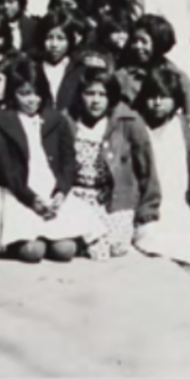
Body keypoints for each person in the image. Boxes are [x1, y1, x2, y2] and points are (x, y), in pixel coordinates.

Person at [0, 58, 106, 261]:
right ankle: (25, 240)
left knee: (65, 251)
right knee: (33, 252)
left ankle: (55, 236)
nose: (32, 100)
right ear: (13, 94)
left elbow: (68, 161)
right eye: (24, 94)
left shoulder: (56, 119)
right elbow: (6, 170)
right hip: (19, 193)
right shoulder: (0, 121)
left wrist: (61, 192)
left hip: (51, 190)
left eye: (37, 93)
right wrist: (32, 200)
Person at [132, 67, 190, 266]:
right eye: (152, 96)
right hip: (149, 205)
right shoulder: (137, 128)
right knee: (151, 244)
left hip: (180, 204)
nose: (157, 103)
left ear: (176, 99)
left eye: (164, 97)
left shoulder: (187, 128)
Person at [66, 68, 154, 259]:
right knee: (86, 249)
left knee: (116, 247)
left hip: (114, 197)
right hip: (77, 197)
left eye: (102, 94)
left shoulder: (128, 121)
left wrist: (148, 209)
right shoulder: (68, 121)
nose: (95, 100)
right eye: (89, 93)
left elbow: (146, 168)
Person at [115, 13, 190, 116]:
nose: (137, 46)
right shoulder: (123, 77)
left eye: (144, 42)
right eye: (135, 41)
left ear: (158, 43)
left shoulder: (177, 77)